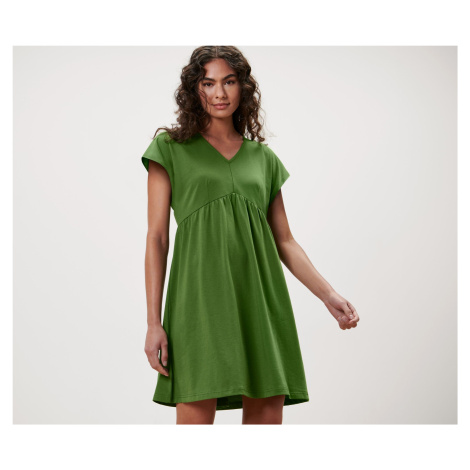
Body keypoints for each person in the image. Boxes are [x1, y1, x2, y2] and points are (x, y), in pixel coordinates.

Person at [141, 46, 360, 425]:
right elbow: (157, 238)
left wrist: (329, 295)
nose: (220, 93)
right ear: (194, 90)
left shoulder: (263, 159)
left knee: (265, 420)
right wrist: (153, 321)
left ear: (243, 88)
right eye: (208, 83)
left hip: (260, 299)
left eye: (229, 82)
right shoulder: (170, 149)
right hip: (197, 303)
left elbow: (285, 241)